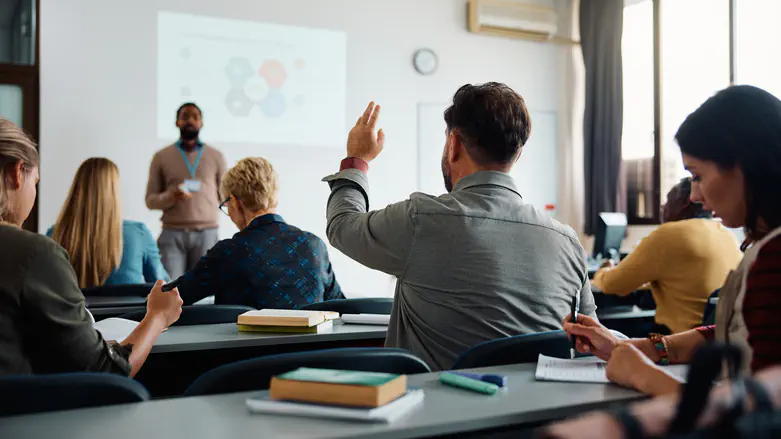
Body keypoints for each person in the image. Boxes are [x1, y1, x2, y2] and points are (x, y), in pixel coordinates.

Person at [322, 83, 597, 370]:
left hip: (436, 412)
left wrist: (358, 159)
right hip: (542, 413)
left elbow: (342, 225)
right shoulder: (568, 242)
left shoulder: (422, 220)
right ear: (517, 154)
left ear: (453, 144)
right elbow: (591, 340)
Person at [563, 85, 781, 396]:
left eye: (698, 176)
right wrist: (629, 347)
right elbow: (731, 336)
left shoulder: (775, 257)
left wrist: (644, 376)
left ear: (742, 166)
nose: (695, 195)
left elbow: (760, 415)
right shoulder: (756, 244)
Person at [0, 118, 182, 376]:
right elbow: (104, 369)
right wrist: (158, 317)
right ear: (17, 174)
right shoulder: (33, 253)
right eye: (36, 182)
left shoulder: (54, 235)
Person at [175, 157, 343, 309]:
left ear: (234, 202)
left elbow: (173, 297)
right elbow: (340, 305)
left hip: (245, 344)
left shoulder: (229, 252)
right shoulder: (314, 246)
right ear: (274, 197)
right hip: (311, 344)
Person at [592, 177, 742, 334]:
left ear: (685, 202)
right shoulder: (726, 233)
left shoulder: (669, 234)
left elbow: (614, 284)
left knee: (612, 330)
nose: (663, 206)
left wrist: (602, 271)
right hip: (717, 338)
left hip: (677, 341)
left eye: (668, 200)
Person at [47, 158, 169, 288]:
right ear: (114, 192)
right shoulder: (139, 234)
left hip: (76, 309)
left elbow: (46, 287)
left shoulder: (55, 235)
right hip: (129, 309)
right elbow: (163, 286)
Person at [145, 103, 227, 279]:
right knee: (171, 290)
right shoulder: (161, 156)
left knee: (205, 293)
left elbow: (226, 196)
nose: (190, 120)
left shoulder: (216, 156)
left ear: (201, 123)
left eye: (195, 117)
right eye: (185, 116)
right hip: (172, 234)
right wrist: (170, 196)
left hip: (207, 233)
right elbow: (150, 200)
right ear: (177, 122)